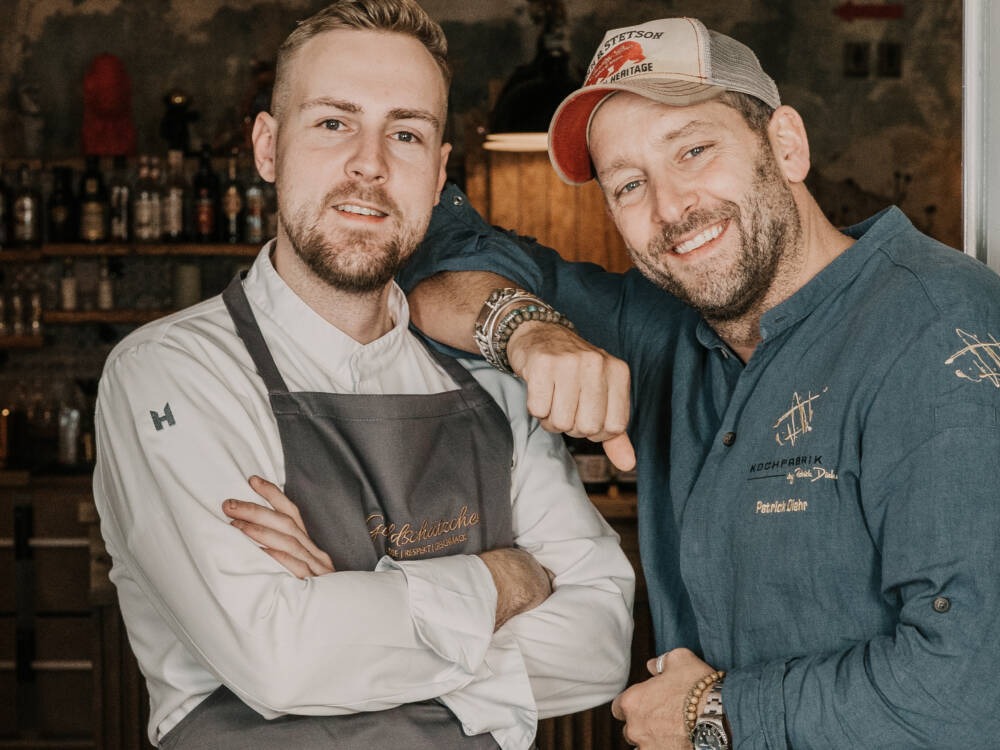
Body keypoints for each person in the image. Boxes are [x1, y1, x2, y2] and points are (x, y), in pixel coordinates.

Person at [402, 16, 1000, 750]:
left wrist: (712, 714)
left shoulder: (937, 328)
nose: (671, 207)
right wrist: (527, 329)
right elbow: (435, 249)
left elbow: (973, 687)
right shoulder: (666, 329)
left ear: (786, 145)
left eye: (693, 149)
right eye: (629, 184)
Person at [91, 2, 634, 748]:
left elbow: (601, 645)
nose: (370, 164)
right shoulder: (172, 374)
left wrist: (350, 620)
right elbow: (279, 661)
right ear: (268, 146)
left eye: (406, 132)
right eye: (333, 123)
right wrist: (504, 580)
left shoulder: (496, 388)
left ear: (440, 171)